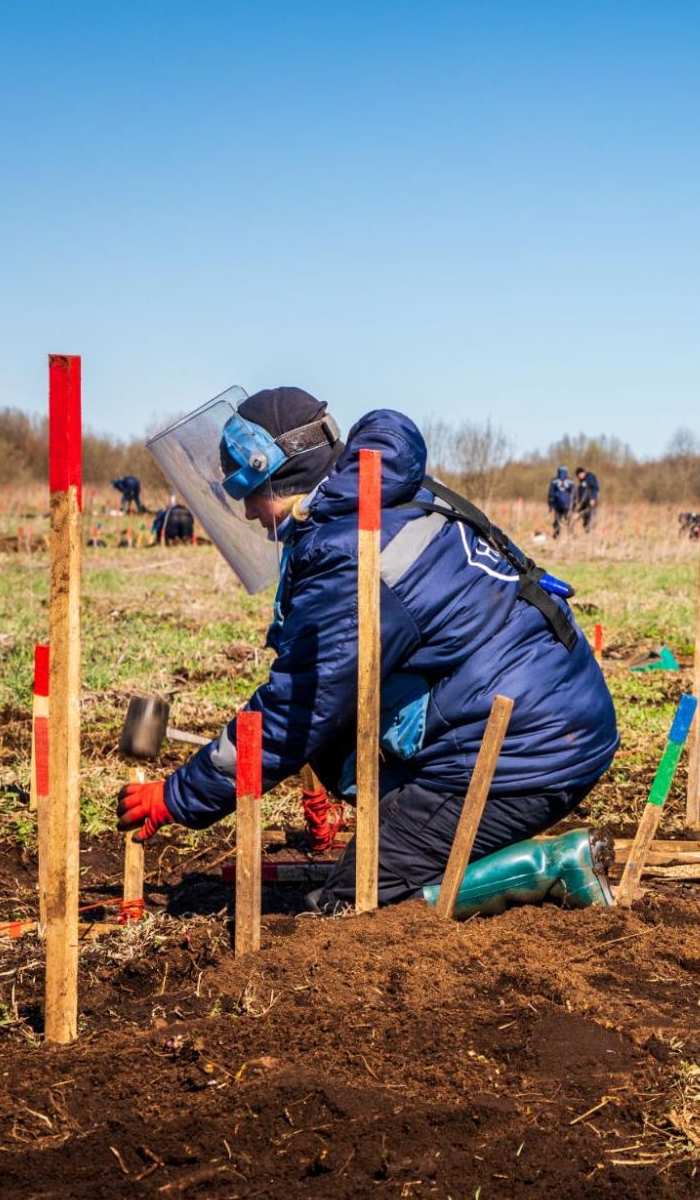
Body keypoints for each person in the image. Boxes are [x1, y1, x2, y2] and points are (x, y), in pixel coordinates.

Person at [119, 386, 619, 914]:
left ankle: (548, 868)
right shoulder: (371, 492)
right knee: (335, 748)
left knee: (353, 911)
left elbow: (294, 712)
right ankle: (436, 840)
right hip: (545, 714)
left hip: (525, 752)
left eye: (249, 492)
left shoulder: (351, 553)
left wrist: (178, 797)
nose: (246, 513)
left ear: (277, 475)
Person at [547, 465, 576, 539]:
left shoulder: (554, 481)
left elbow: (551, 494)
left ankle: (558, 535)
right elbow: (575, 494)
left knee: (559, 521)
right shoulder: (570, 481)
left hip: (561, 505)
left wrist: (550, 505)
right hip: (565, 505)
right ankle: (568, 535)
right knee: (566, 521)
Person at [574, 466, 600, 532]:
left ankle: (591, 532)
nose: (580, 476)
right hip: (584, 503)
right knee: (585, 519)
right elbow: (580, 495)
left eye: (581, 474)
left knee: (590, 518)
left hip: (591, 501)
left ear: (583, 473)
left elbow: (595, 488)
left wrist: (593, 498)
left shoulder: (590, 477)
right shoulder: (581, 484)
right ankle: (587, 531)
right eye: (578, 475)